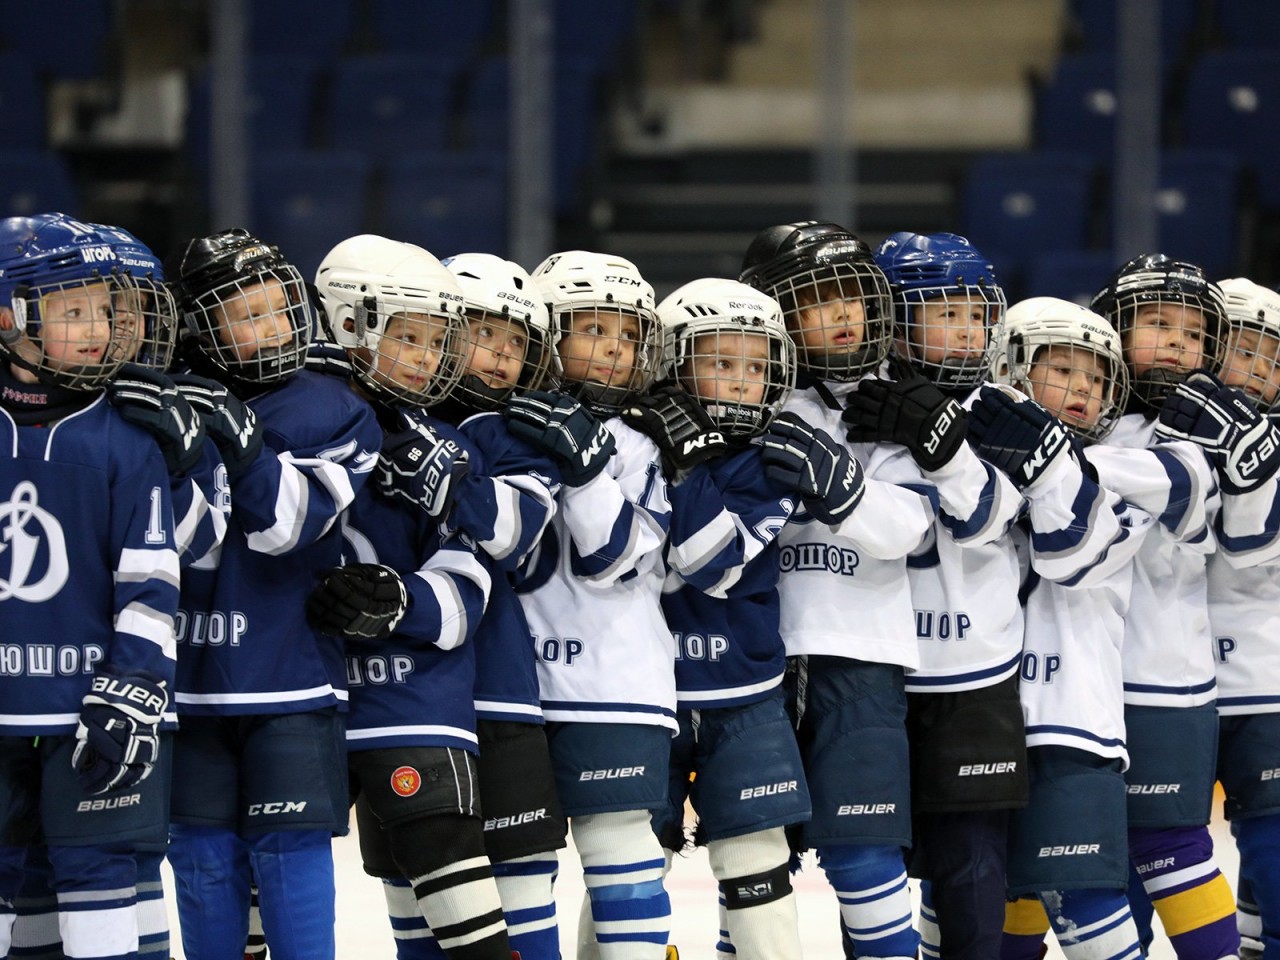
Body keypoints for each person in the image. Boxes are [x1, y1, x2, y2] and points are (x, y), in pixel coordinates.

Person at [5, 220, 227, 960]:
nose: (100, 330)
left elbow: (154, 580)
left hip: (93, 713)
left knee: (102, 879)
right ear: (9, 319)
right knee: (16, 891)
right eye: (75, 312)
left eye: (106, 310)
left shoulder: (127, 438)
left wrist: (131, 691)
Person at [163, 228, 382, 960]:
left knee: (289, 856)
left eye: (276, 309)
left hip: (291, 678)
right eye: (243, 314)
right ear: (201, 328)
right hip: (186, 683)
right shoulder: (171, 404)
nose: (269, 329)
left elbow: (287, 524)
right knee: (200, 858)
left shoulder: (337, 409)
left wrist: (239, 438)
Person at [309, 233, 520, 960]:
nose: (428, 358)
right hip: (295, 693)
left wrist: (400, 600)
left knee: (461, 920)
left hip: (413, 700)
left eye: (438, 341)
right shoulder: (290, 420)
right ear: (347, 324)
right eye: (410, 337)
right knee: (272, 888)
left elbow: (468, 593)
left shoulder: (444, 448)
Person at [737, 221, 943, 960]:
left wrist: (840, 488)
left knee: (864, 855)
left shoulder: (893, 405)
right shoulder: (736, 391)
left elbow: (912, 529)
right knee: (752, 867)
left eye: (854, 295)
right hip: (753, 666)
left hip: (863, 656)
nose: (846, 313)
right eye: (819, 299)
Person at [1085, 255, 1280, 959]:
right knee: (1097, 860)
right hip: (1097, 680)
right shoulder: (1097, 415)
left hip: (1209, 676)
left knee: (1202, 849)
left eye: (1194, 334)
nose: (1255, 366)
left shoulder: (1225, 439)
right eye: (1158, 325)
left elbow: (1251, 537)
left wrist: (1249, 450)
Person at [627, 277, 811, 960]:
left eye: (756, 366)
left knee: (757, 858)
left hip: (746, 693)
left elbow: (717, 564)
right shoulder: (634, 446)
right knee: (629, 861)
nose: (741, 381)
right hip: (643, 695)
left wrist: (686, 471)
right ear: (675, 363)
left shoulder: (773, 461)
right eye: (721, 361)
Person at [855, 232, 1027, 960]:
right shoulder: (854, 413)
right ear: (894, 321)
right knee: (871, 872)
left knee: (972, 874)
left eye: (974, 313)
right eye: (942, 313)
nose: (965, 331)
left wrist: (945, 445)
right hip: (875, 675)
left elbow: (993, 518)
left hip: (978, 675)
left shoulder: (1004, 412)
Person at [502, 250, 675, 960]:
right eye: (593, 329)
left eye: (627, 335)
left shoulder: (642, 444)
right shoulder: (495, 425)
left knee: (621, 844)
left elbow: (612, 556)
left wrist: (584, 466)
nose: (613, 349)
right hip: (512, 688)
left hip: (614, 679)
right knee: (518, 860)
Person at [975, 297, 1150, 959]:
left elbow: (1068, 554)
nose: (1083, 388)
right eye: (1063, 369)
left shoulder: (1119, 475)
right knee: (972, 902)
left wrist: (1047, 462)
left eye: (1097, 377)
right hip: (973, 713)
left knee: (1083, 894)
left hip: (1074, 718)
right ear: (1011, 369)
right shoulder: (961, 465)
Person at [1201, 277, 1280, 960]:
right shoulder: (1142, 426)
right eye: (1244, 351)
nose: (1258, 371)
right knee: (1151, 849)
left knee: (1273, 849)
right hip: (1153, 679)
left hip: (1264, 677)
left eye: (1273, 360)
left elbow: (1249, 544)